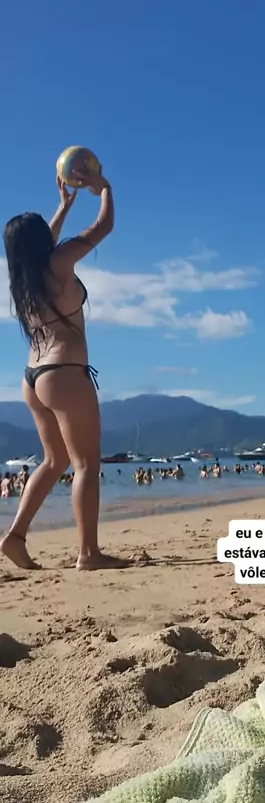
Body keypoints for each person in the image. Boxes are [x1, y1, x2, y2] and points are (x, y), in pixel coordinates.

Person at [0, 167, 128, 570]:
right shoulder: (58, 262)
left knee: (53, 461)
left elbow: (45, 246)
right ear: (42, 242)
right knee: (86, 464)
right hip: (65, 373)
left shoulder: (23, 278)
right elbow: (103, 227)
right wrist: (104, 189)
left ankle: (15, 536)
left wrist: (64, 206)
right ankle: (89, 553)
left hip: (33, 377)